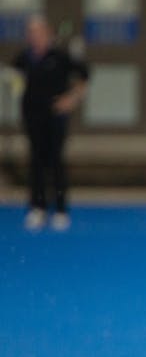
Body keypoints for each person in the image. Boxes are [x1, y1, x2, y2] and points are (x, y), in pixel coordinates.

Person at [11, 14, 88, 232]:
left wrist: (71, 100)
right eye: (30, 33)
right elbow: (16, 80)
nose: (34, 37)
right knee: (36, 161)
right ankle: (38, 207)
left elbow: (84, 76)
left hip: (55, 117)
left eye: (38, 32)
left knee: (55, 160)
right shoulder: (24, 58)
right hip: (32, 117)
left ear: (47, 33)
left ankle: (61, 209)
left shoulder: (61, 57)